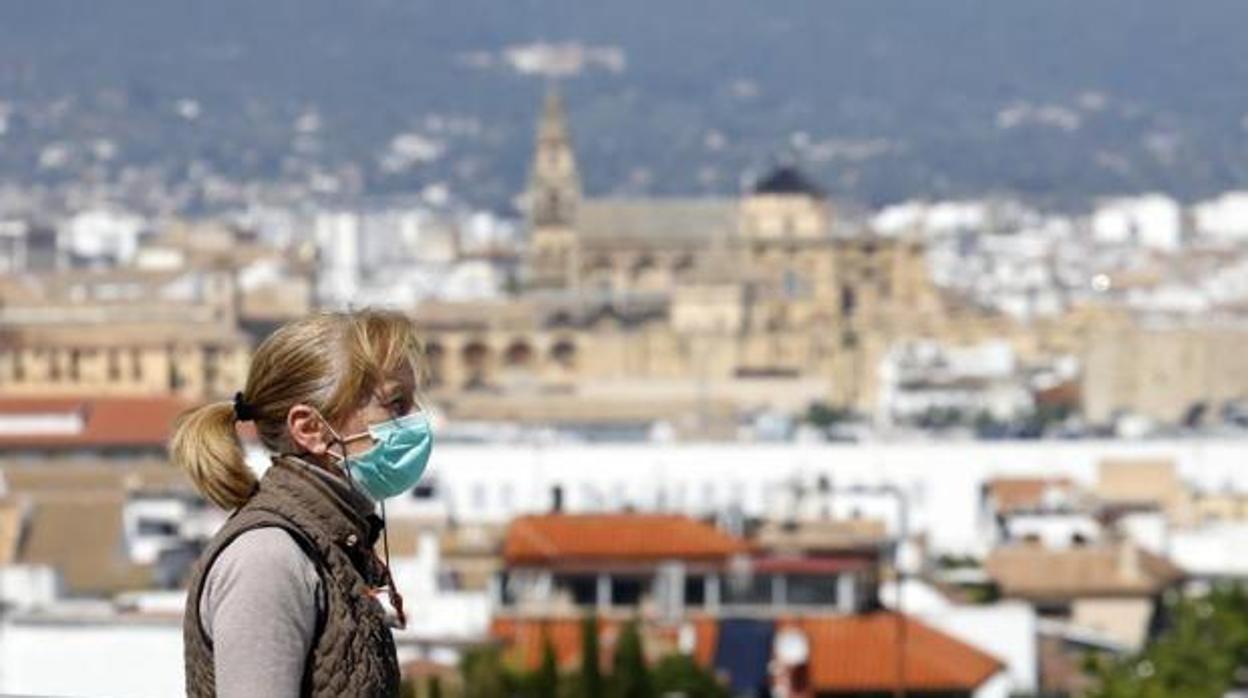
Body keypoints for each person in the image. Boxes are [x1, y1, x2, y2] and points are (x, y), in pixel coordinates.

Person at [171, 309, 434, 698]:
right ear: (310, 429)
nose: (415, 420)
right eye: (396, 404)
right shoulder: (269, 558)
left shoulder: (333, 542)